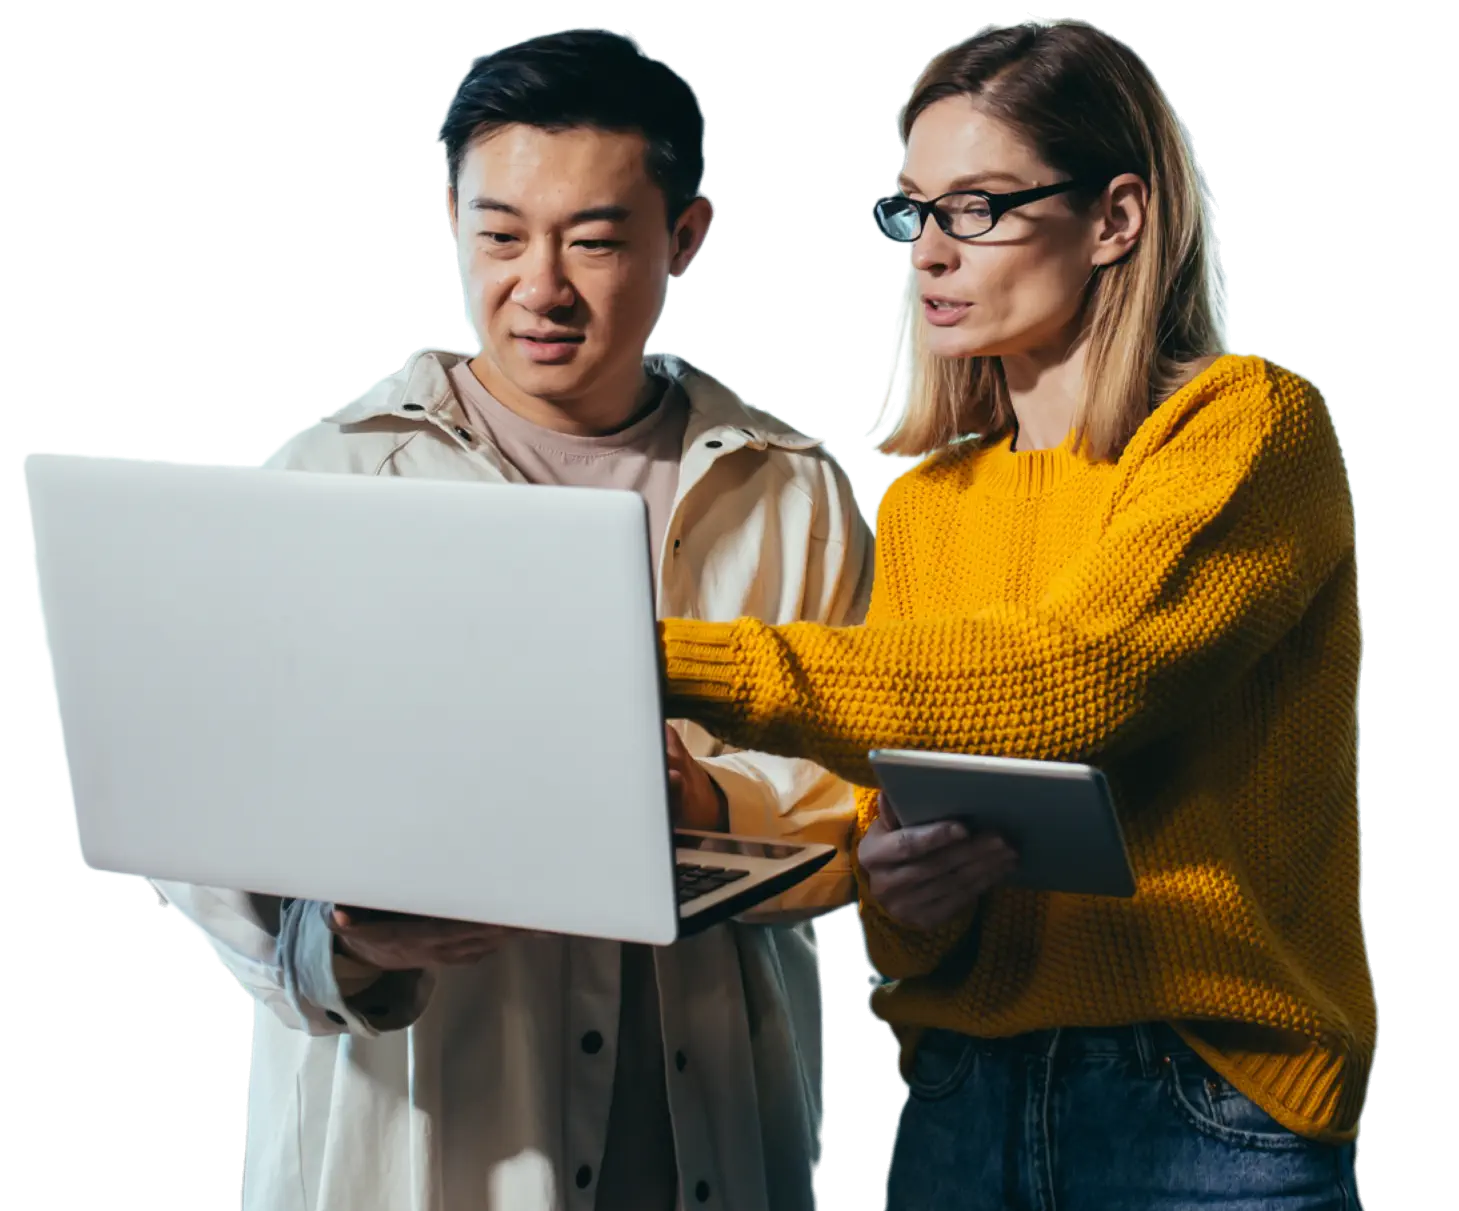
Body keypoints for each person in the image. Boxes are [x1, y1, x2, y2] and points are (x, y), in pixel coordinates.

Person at [655, 17, 1374, 1211]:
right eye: (915, 210)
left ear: (1115, 219)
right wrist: (904, 888)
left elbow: (1073, 681)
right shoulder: (932, 503)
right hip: (960, 1105)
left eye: (977, 207)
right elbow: (916, 834)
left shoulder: (1247, 426)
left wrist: (658, 659)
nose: (930, 254)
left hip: (1205, 1106)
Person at [153, 26, 874, 1211]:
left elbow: (861, 801)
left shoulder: (791, 490)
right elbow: (206, 831)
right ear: (451, 217)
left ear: (685, 236)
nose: (537, 288)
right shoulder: (333, 475)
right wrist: (348, 942)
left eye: (593, 241)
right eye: (497, 236)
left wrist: (702, 800)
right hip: (431, 1139)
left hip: (713, 1135)